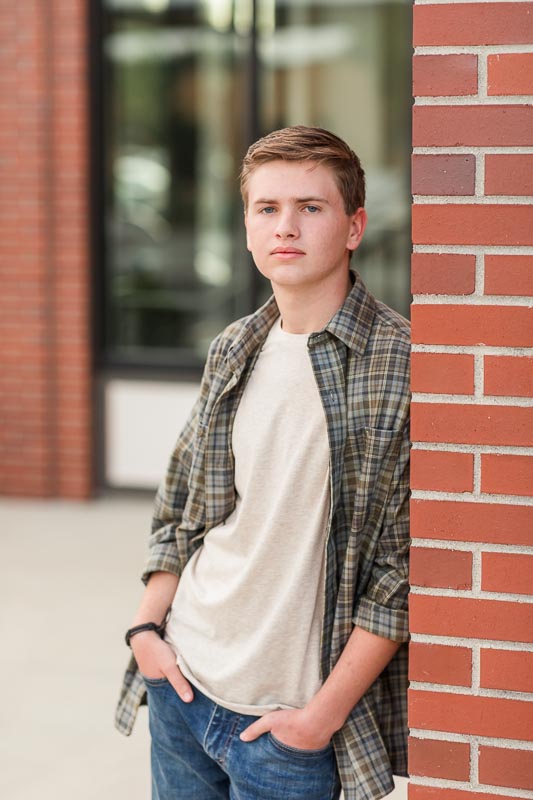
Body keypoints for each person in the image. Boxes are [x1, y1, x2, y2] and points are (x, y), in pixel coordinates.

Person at [116, 125, 410, 800]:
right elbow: (182, 503)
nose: (287, 227)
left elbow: (402, 570)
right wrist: (144, 631)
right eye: (267, 209)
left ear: (353, 226)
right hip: (183, 681)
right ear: (247, 228)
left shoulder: (399, 363)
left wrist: (319, 718)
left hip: (288, 725)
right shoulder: (234, 348)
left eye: (310, 207)